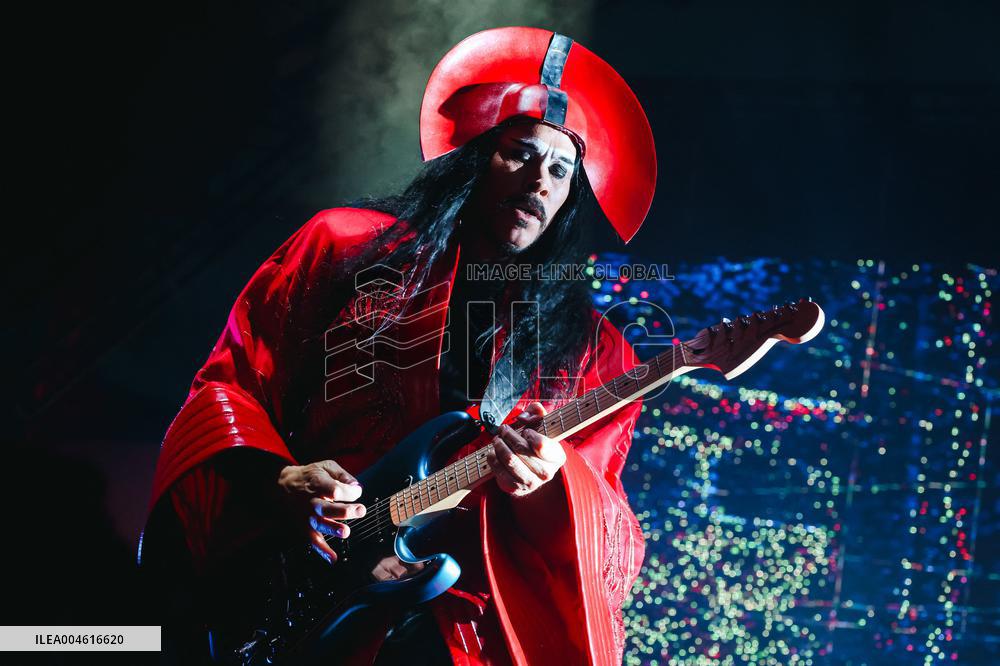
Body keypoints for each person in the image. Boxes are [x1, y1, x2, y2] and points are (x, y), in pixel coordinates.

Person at [141, 27, 657, 666]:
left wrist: (552, 486)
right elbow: (233, 385)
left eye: (561, 168)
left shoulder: (598, 353)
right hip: (297, 578)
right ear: (472, 157)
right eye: (520, 154)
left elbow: (613, 536)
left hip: (459, 626)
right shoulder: (344, 247)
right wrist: (279, 478)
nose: (539, 181)